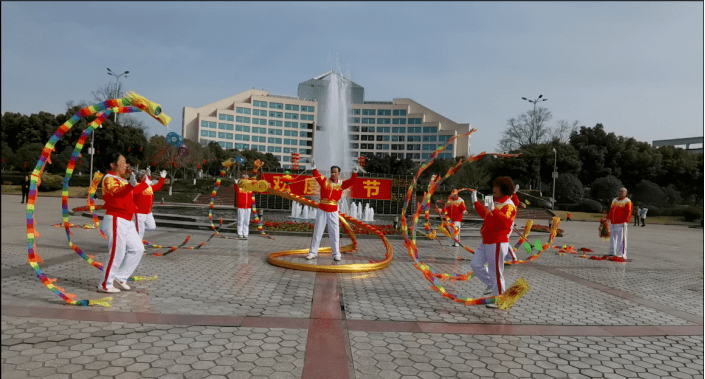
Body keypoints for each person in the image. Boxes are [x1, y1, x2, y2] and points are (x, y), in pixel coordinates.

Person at [98, 153, 148, 293]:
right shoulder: (109, 179)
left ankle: (120, 277)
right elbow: (116, 193)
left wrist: (144, 183)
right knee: (117, 252)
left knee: (137, 248)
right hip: (116, 218)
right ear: (113, 165)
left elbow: (131, 192)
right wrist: (130, 186)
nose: (126, 165)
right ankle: (105, 284)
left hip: (127, 219)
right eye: (123, 162)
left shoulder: (122, 180)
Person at [469, 177, 518, 308]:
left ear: (503, 189)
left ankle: (500, 299)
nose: (493, 189)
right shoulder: (495, 202)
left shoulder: (509, 205)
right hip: (486, 241)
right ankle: (491, 284)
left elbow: (505, 222)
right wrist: (475, 202)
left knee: (495, 272)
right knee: (475, 264)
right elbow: (486, 216)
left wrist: (494, 209)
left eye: (496, 187)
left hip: (497, 241)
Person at [307, 162, 358, 261]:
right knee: (318, 232)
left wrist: (354, 173)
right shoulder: (325, 182)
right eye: (332, 172)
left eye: (335, 172)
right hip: (322, 210)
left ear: (339, 173)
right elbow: (317, 176)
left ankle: (336, 254)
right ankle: (313, 252)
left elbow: (351, 181)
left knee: (334, 233)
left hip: (333, 211)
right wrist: (314, 167)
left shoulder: (341, 184)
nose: (333, 174)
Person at [133, 167, 167, 241]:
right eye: (144, 176)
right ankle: (138, 246)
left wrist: (162, 177)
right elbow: (135, 192)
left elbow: (158, 187)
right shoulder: (137, 185)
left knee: (152, 227)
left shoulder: (149, 186)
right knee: (140, 232)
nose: (146, 177)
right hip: (139, 213)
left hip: (148, 212)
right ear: (140, 177)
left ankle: (134, 229)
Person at [606, 187, 633, 259]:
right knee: (613, 237)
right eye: (620, 191)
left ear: (625, 193)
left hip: (621, 223)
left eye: (622, 192)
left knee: (621, 238)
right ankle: (612, 251)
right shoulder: (615, 200)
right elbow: (611, 210)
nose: (620, 193)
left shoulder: (627, 201)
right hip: (613, 222)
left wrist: (626, 221)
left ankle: (622, 253)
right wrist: (608, 218)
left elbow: (629, 212)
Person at [234, 173, 255, 239]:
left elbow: (257, 188)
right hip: (241, 206)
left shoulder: (250, 188)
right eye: (244, 178)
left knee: (246, 220)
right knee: (241, 220)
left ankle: (245, 233)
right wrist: (236, 183)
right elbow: (235, 189)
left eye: (247, 179)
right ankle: (240, 233)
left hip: (248, 206)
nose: (246, 180)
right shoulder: (239, 187)